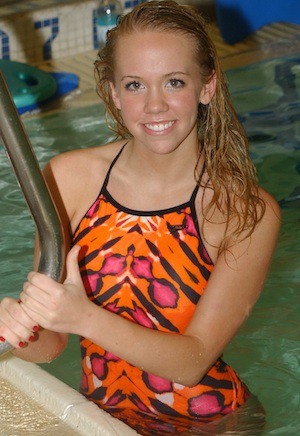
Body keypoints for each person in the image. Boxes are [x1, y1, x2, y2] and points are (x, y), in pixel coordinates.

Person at [0, 1, 281, 434]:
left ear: (207, 86)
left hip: (212, 424)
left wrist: (83, 318)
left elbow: (193, 361)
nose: (154, 106)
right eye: (135, 85)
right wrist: (22, 327)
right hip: (103, 419)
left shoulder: (244, 210)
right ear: (113, 92)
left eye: (173, 82)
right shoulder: (68, 180)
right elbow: (52, 344)